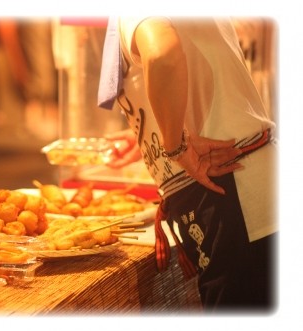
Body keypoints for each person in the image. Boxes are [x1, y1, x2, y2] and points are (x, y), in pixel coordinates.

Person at [98, 17, 277, 312]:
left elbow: (163, 53)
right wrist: (156, 132)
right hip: (235, 187)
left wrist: (175, 145)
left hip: (230, 190)